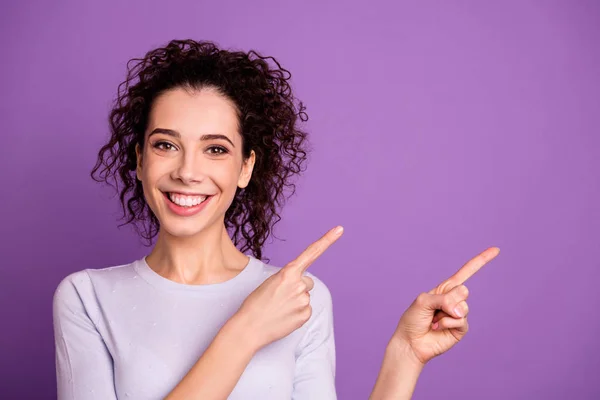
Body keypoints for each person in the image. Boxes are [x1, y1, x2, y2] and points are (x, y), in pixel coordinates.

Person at [52, 39, 500, 400]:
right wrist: (245, 332)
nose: (187, 171)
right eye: (166, 144)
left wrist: (404, 356)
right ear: (140, 159)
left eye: (215, 149)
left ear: (245, 167)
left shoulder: (298, 299)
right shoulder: (87, 298)